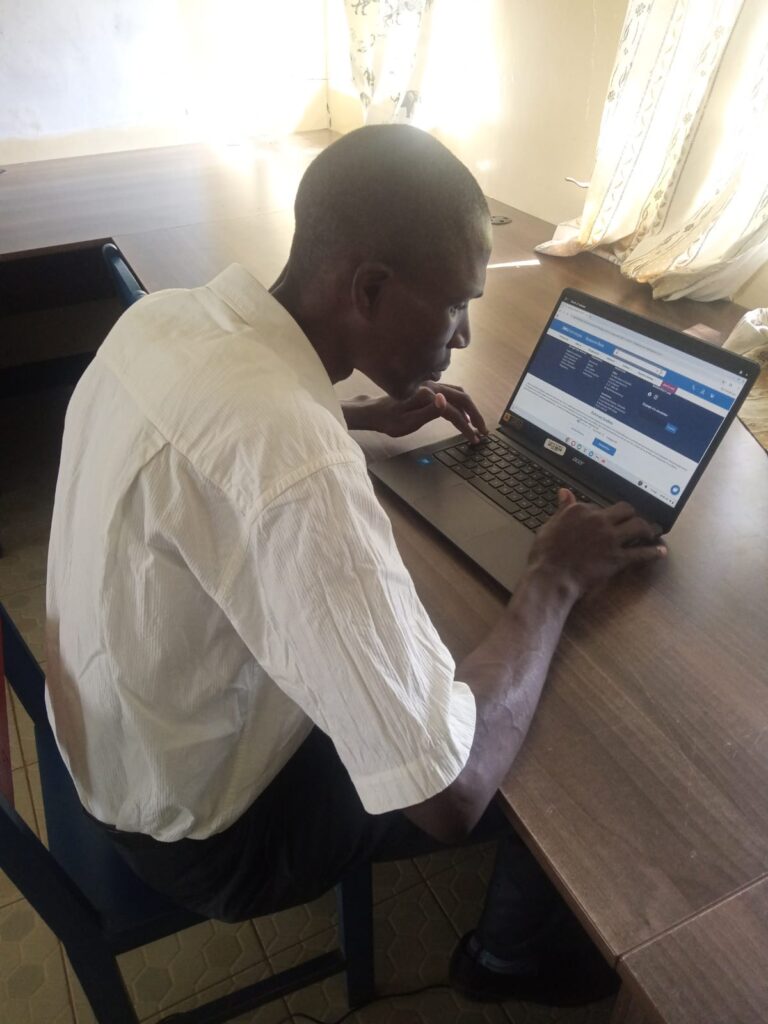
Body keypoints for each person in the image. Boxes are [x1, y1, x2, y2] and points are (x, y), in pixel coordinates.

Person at [45, 125, 666, 1007]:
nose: (463, 336)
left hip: (111, 739)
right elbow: (450, 794)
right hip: (205, 837)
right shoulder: (295, 467)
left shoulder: (168, 319)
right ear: (368, 288)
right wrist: (553, 579)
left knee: (452, 664)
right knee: (547, 733)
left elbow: (222, 446)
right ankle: (510, 959)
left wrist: (357, 418)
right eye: (457, 307)